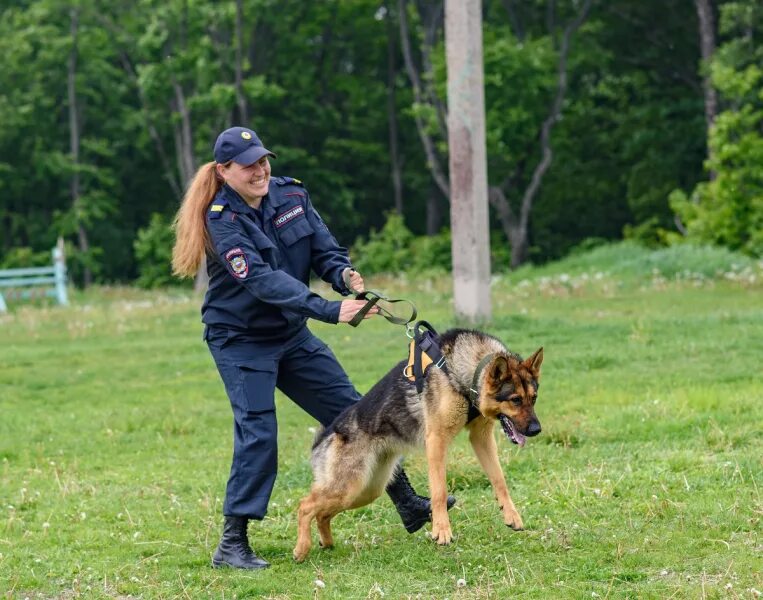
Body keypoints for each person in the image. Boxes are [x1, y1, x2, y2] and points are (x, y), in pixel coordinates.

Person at [171, 126, 454, 570]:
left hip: (290, 334)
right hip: (241, 340)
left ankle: (409, 504)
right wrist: (327, 309)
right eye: (249, 165)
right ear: (225, 171)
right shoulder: (222, 218)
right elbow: (262, 280)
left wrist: (344, 276)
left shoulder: (291, 196)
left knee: (358, 412)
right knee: (259, 431)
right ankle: (232, 543)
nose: (261, 170)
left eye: (264, 160)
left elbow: (325, 249)